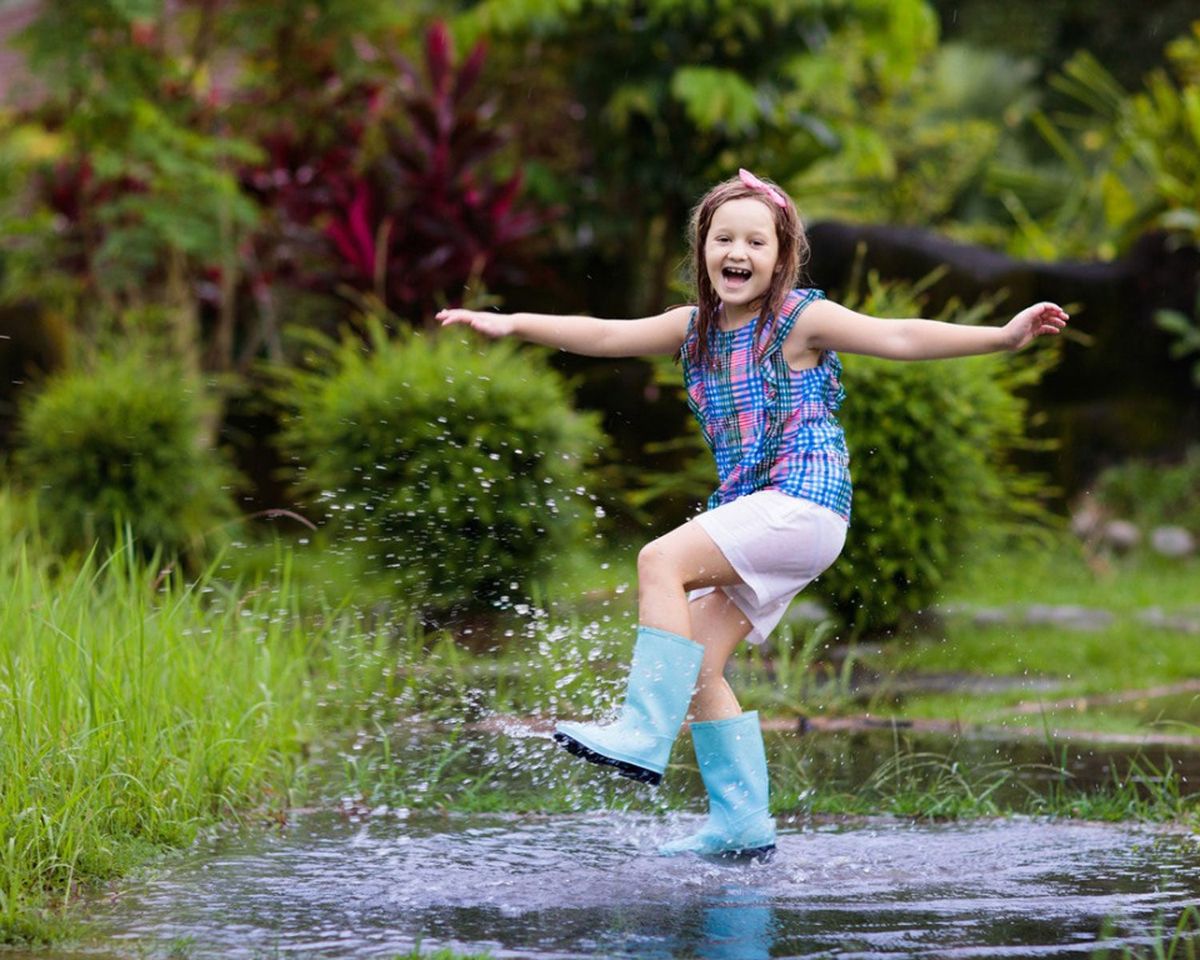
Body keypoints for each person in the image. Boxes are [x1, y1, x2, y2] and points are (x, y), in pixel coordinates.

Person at [437, 169, 1068, 860]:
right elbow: (605, 335)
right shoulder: (694, 329)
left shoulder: (801, 320)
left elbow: (901, 336)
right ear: (703, 251)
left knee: (659, 560)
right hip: (770, 514)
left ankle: (642, 731)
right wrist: (511, 323)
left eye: (755, 241)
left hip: (803, 501)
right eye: (722, 238)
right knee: (701, 669)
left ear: (781, 255)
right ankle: (741, 822)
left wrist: (1001, 337)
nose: (737, 251)